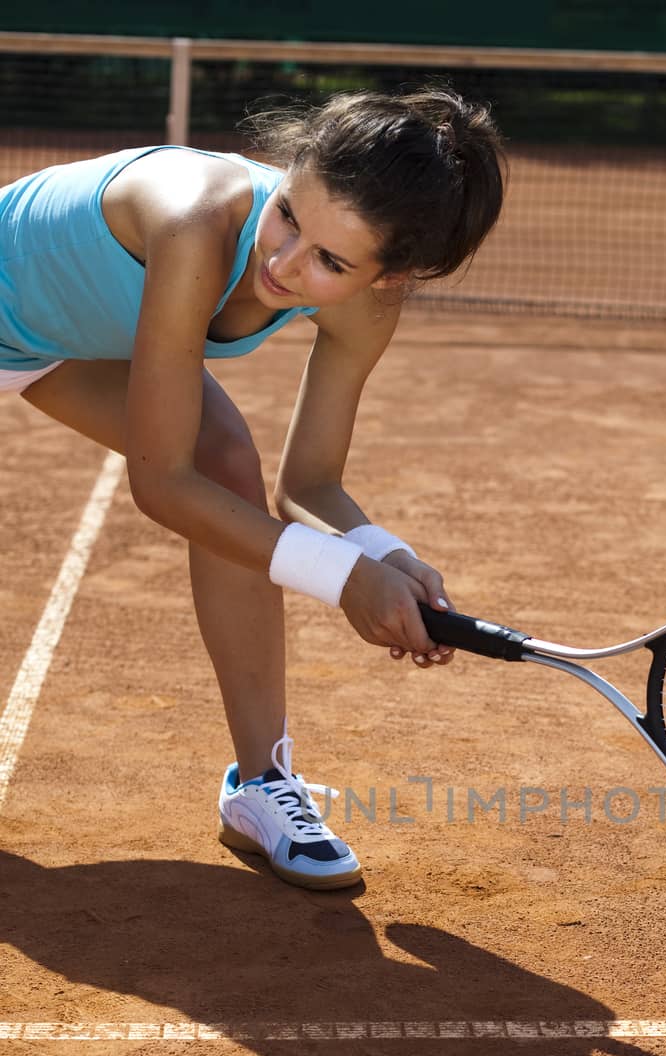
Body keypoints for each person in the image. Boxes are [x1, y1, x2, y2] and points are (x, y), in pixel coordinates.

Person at [0, 88, 505, 888]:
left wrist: (383, 555)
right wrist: (344, 579)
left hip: (53, 339)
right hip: (20, 304)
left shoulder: (370, 310)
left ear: (391, 277)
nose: (283, 263)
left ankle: (263, 784)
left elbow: (310, 484)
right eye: (288, 216)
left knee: (224, 463)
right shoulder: (195, 221)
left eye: (330, 263)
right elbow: (161, 485)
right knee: (198, 468)